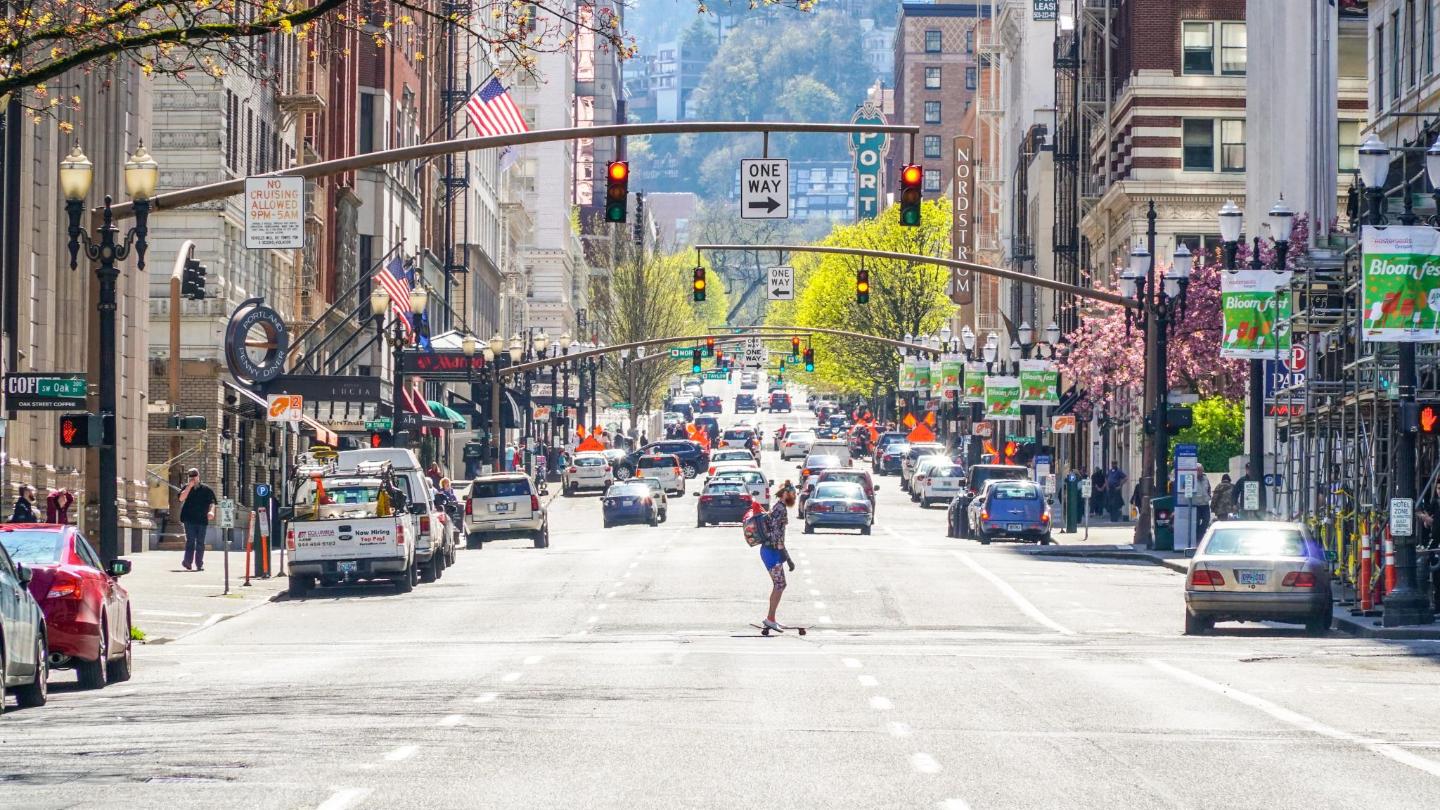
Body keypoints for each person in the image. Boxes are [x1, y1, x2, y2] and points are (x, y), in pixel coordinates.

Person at [757, 481, 799, 632]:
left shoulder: (777, 507)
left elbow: (778, 535)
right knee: (779, 585)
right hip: (771, 552)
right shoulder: (780, 509)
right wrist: (786, 558)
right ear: (786, 493)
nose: (794, 496)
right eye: (793, 493)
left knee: (780, 585)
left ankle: (771, 618)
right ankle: (770, 619)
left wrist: (787, 557)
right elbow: (776, 534)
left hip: (771, 551)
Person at [178, 467, 217, 571]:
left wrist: (211, 511)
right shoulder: (186, 488)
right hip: (189, 519)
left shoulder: (206, 489)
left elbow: (212, 502)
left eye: (194, 476)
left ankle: (199, 564)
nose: (193, 478)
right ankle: (187, 562)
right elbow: (181, 498)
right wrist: (189, 487)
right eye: (191, 476)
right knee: (190, 541)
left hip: (201, 520)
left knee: (200, 542)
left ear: (198, 476)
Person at [1193, 465, 1214, 536]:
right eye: (1199, 470)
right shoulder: (1192, 478)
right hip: (1196, 504)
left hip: (1205, 503)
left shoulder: (1205, 478)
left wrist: (1209, 496)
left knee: (1206, 520)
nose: (1200, 472)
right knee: (1196, 522)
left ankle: (1200, 534)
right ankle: (1198, 536)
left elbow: (1209, 488)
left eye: (1201, 470)